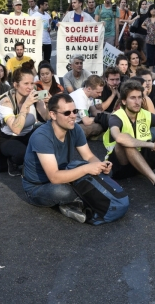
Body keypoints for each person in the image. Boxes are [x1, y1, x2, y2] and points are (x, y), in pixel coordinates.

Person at [22, 93, 112, 223]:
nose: (73, 116)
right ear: (53, 115)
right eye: (67, 113)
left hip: (64, 176)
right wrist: (87, 169)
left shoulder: (75, 128)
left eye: (75, 111)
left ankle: (73, 203)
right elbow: (54, 177)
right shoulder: (42, 136)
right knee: (64, 192)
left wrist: (101, 166)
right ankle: (71, 201)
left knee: (106, 173)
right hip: (38, 186)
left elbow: (89, 156)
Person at [0, 68, 49, 175]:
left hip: (29, 134)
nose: (30, 87)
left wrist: (49, 105)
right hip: (9, 138)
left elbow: (47, 118)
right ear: (16, 85)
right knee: (23, 154)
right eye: (26, 84)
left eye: (32, 83)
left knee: (47, 145)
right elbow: (16, 129)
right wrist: (26, 105)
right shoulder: (6, 102)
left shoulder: (33, 96)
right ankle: (12, 162)